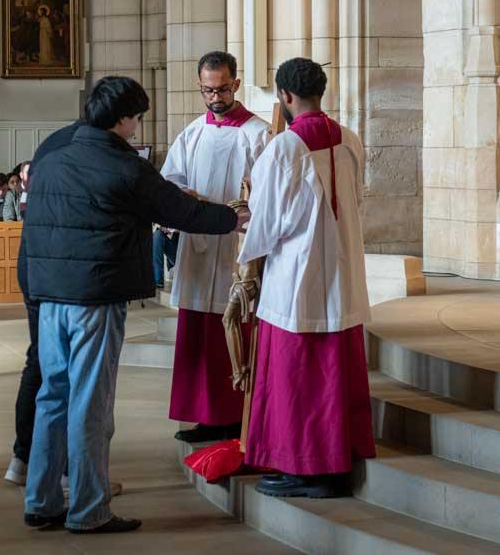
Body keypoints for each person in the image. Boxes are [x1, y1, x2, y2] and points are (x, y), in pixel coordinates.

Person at [22, 76, 247, 533]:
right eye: (137, 117)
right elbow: (180, 211)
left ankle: (41, 501)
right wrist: (233, 216)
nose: (137, 126)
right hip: (95, 295)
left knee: (53, 395)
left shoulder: (51, 158)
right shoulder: (123, 165)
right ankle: (89, 510)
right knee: (91, 403)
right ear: (123, 118)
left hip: (49, 296)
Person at [238, 58, 376, 498]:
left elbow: (265, 222)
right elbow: (356, 201)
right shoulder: (350, 139)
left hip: (296, 281)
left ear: (284, 95)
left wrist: (246, 228)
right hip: (341, 274)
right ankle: (336, 463)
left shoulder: (284, 148)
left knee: (298, 380)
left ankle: (306, 469)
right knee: (333, 377)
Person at [161, 51, 271, 443]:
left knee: (233, 328)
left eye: (222, 89)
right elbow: (170, 180)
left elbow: (271, 194)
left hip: (237, 250)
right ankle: (204, 416)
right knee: (198, 334)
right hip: (198, 247)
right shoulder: (192, 133)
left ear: (236, 84)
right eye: (208, 90)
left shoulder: (258, 134)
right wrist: (181, 196)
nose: (215, 98)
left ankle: (233, 416)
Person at [5, 122, 85, 487]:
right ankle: (65, 471)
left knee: (38, 361)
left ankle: (22, 460)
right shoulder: (88, 152)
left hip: (34, 267)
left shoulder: (52, 145)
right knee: (67, 371)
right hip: (59, 276)